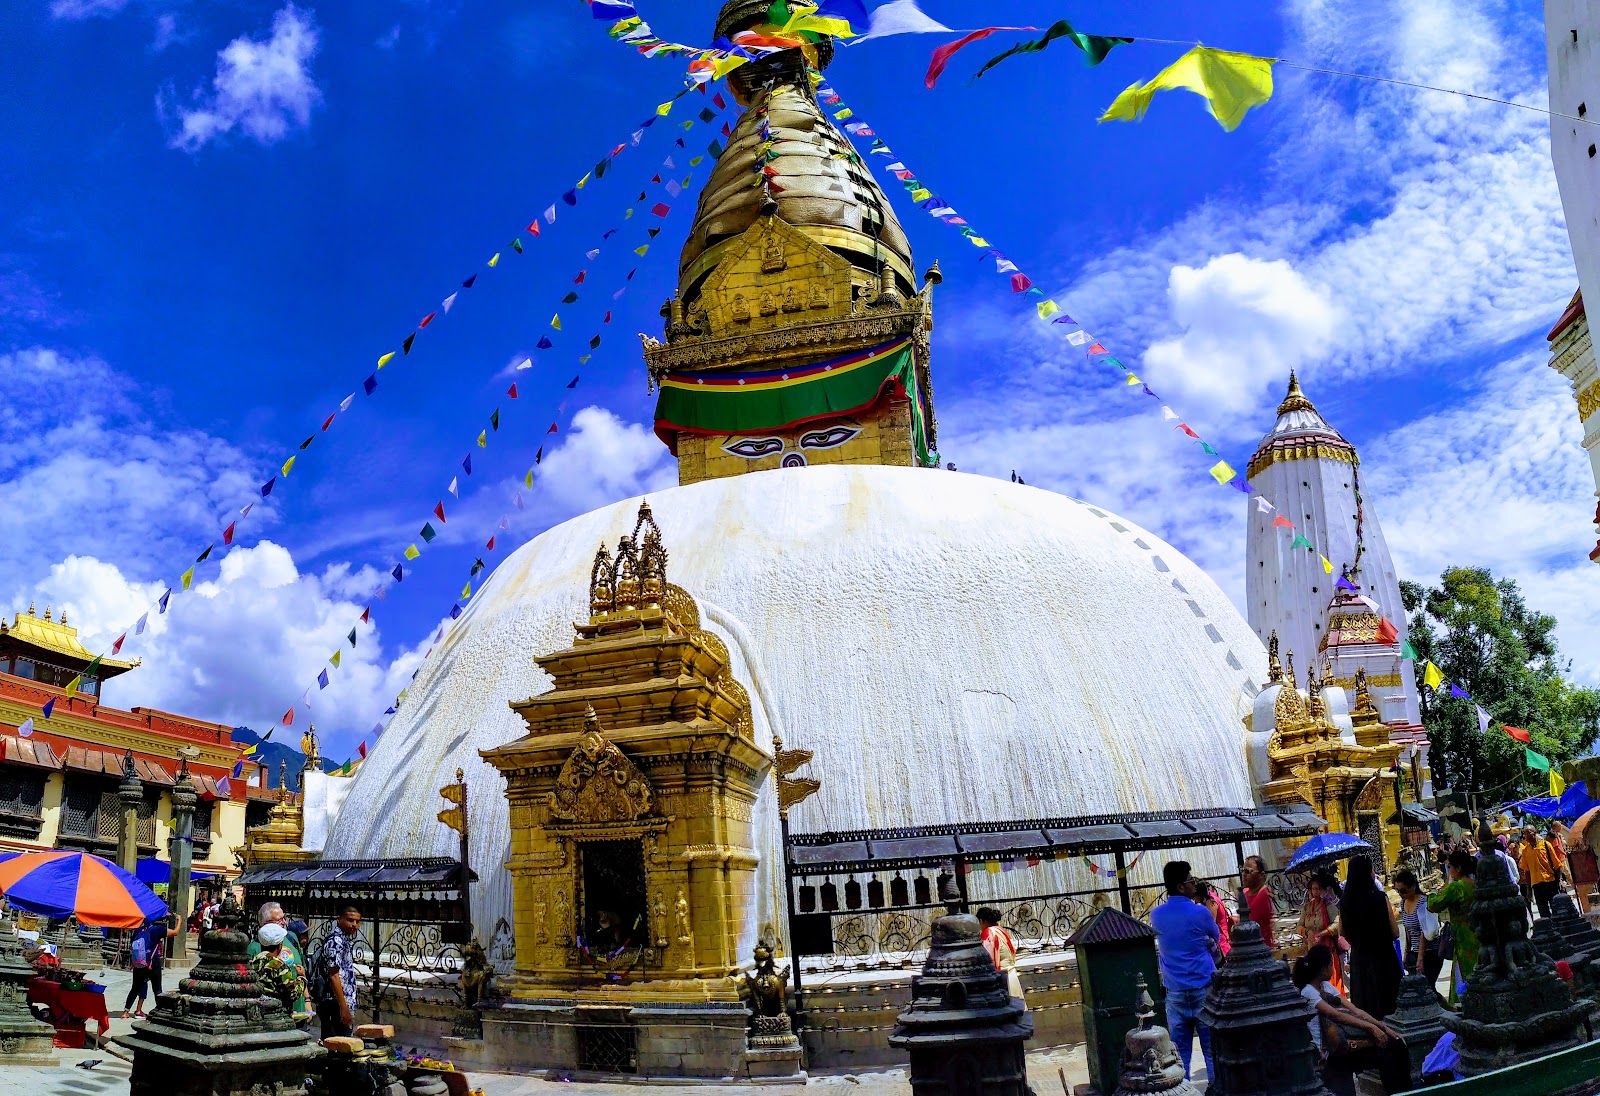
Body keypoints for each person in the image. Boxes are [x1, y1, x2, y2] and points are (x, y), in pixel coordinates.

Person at [1293, 943, 1411, 1094]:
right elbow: (1335, 1015)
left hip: (1344, 1041)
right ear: (1323, 969)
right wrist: (1370, 1028)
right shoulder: (1309, 992)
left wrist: (1384, 1028)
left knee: (1394, 1045)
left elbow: (1355, 1010)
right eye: (1331, 964)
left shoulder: (1326, 987)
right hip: (1331, 1053)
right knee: (1383, 1053)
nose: (1334, 968)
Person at [1150, 860, 1219, 1082]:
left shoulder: (1156, 915)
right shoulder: (1200, 913)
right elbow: (1216, 938)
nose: (1194, 885)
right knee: (1211, 1051)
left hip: (1175, 992)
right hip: (1203, 989)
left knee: (1179, 1055)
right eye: (1191, 881)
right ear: (1181, 887)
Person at [1342, 856, 1401, 1018]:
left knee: (1366, 1006)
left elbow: (1343, 932)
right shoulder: (1380, 898)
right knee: (1389, 1004)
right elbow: (1395, 932)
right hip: (1384, 958)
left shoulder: (1346, 903)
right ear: (1369, 873)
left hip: (1360, 961)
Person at [1428, 850, 1480, 1005]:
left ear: (1457, 868)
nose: (1448, 871)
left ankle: (1467, 1001)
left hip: (1462, 937)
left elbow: (1434, 905)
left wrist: (1432, 893)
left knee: (1465, 971)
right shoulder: (1474, 885)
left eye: (1450, 867)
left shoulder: (1456, 887)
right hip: (1477, 932)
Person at [246, 901, 307, 1014]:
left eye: (284, 918)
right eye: (280, 920)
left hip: (298, 1010)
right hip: (277, 1013)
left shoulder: (291, 938)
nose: (285, 922)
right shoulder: (253, 949)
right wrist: (302, 978)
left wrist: (307, 1001)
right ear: (267, 923)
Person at [316, 904, 362, 1038]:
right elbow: (334, 975)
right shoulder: (336, 942)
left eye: (357, 922)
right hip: (334, 1003)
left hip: (340, 1002)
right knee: (338, 1045)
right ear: (339, 919)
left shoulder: (344, 940)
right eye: (350, 920)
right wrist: (344, 1007)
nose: (354, 925)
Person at [1297, 871, 1345, 995]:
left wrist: (1322, 934)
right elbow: (1299, 926)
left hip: (1327, 949)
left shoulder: (1328, 905)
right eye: (1313, 889)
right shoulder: (1307, 907)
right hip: (1312, 949)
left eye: (1318, 889)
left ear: (1323, 890)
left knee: (1330, 980)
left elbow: (1337, 924)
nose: (1315, 892)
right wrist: (1308, 932)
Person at [1393, 869, 1442, 987]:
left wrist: (1420, 958)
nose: (1400, 894)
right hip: (1415, 951)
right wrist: (1406, 952)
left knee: (1428, 987)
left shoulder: (1423, 902)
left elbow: (1423, 931)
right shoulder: (1403, 904)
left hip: (1430, 951)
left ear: (1413, 886)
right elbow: (1408, 930)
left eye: (1403, 890)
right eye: (1398, 891)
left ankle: (1446, 1006)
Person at [976, 907, 1025, 1000]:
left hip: (1003, 979)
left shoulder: (988, 933)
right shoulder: (1001, 930)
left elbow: (987, 960)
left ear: (982, 921)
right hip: (1012, 975)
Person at [1519, 825, 1562, 919]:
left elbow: (1557, 865)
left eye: (1528, 832)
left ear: (1534, 833)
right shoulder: (1526, 851)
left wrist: (1559, 881)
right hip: (1537, 886)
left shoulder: (1546, 845)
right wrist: (1529, 891)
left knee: (1556, 910)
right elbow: (1527, 872)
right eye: (1525, 833)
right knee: (1544, 913)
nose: (1526, 836)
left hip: (1550, 882)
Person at [1239, 855, 1275, 951]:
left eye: (1248, 871)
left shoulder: (1265, 893)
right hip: (1249, 948)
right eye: (1243, 871)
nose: (1244, 874)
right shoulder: (1245, 893)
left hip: (1265, 949)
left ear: (1261, 875)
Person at [122, 921, 157, 1018]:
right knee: (143, 986)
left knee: (134, 987)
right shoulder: (152, 931)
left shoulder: (137, 931)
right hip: (146, 963)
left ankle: (126, 1011)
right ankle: (138, 1010)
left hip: (137, 963)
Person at [1198, 881, 1237, 958]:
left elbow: (1211, 925)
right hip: (1222, 940)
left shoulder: (1211, 903)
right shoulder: (1212, 896)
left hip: (1220, 944)